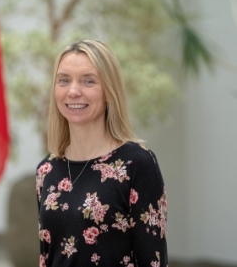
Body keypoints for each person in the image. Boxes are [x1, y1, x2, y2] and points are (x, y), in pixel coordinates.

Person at [36, 39, 167, 267]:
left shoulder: (137, 164)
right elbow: (46, 257)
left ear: (109, 91)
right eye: (64, 80)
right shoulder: (46, 171)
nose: (74, 91)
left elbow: (153, 261)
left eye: (88, 81)